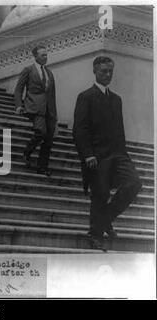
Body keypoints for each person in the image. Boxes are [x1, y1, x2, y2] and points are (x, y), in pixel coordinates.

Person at [73, 56, 142, 251]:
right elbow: (80, 129)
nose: (108, 74)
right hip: (97, 156)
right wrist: (88, 155)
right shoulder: (85, 97)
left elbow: (119, 130)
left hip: (118, 154)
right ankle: (95, 235)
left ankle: (103, 220)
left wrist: (125, 155)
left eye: (110, 71)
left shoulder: (116, 99)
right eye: (104, 71)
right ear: (95, 71)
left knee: (134, 182)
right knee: (100, 194)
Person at [14, 45, 57, 176]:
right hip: (34, 107)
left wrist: (55, 116)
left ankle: (42, 167)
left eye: (46, 54)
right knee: (40, 132)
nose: (45, 57)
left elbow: (52, 95)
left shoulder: (49, 73)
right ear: (36, 56)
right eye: (43, 55)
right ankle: (27, 152)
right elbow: (18, 89)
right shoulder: (28, 70)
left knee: (49, 139)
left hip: (48, 110)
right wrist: (19, 105)